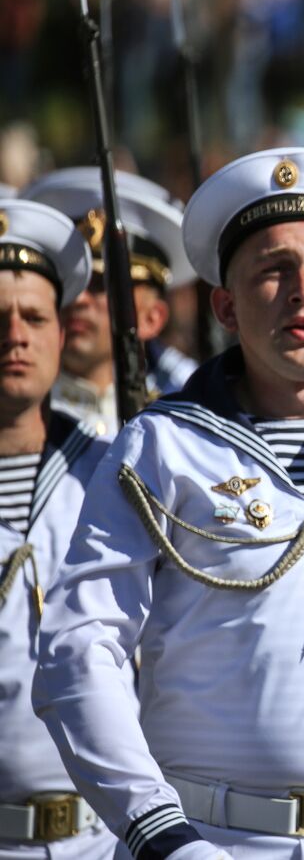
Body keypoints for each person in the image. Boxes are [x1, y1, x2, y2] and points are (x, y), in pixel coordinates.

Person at [32, 147, 304, 859]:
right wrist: (156, 830)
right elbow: (79, 647)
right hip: (213, 839)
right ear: (225, 307)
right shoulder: (159, 446)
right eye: (274, 270)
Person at [0, 199, 117, 859]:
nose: (14, 335)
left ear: (59, 331)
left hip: (103, 839)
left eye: (34, 317)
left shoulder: (114, 475)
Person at [21, 168, 199, 433]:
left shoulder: (181, 416)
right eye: (71, 282)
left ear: (153, 318)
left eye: (100, 286)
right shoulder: (21, 416)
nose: (79, 299)